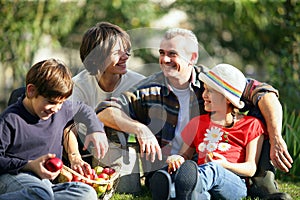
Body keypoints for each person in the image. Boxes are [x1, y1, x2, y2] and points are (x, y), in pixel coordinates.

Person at [96, 28, 292, 198]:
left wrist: (275, 137)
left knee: (260, 112)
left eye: (172, 54)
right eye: (162, 52)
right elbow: (104, 110)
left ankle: (263, 185)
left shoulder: (214, 81)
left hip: (213, 170)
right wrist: (139, 129)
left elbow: (264, 92)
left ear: (192, 58)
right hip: (169, 168)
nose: (164, 59)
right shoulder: (149, 89)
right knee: (171, 178)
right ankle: (173, 188)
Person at [0, 58, 108, 200]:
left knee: (87, 193)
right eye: (51, 102)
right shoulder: (10, 119)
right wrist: (29, 165)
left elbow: (83, 109)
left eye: (61, 103)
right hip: (13, 176)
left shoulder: (61, 109)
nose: (56, 109)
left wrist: (96, 129)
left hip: (44, 184)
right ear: (31, 91)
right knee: (41, 193)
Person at [160, 63, 265, 199]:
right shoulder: (197, 123)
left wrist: (223, 165)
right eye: (204, 89)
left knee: (213, 170)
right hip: (203, 179)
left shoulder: (251, 124)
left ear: (227, 98)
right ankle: (188, 193)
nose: (204, 95)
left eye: (210, 91)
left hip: (234, 183)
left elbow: (250, 169)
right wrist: (177, 159)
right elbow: (184, 155)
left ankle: (173, 191)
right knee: (199, 190)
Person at [67, 21, 146, 193]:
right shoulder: (79, 85)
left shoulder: (139, 84)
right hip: (82, 149)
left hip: (121, 148)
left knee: (127, 190)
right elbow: (68, 128)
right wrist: (75, 159)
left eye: (126, 51)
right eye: (118, 53)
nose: (125, 56)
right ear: (96, 57)